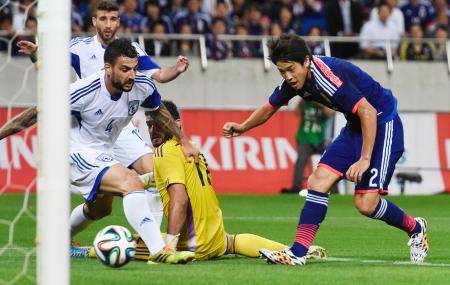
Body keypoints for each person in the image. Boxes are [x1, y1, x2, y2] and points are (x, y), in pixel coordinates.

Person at [222, 34, 429, 266]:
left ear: (306, 61)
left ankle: (416, 228)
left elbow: (369, 112)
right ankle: (298, 253)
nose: (288, 76)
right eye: (282, 71)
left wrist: (364, 159)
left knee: (365, 204)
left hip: (382, 123)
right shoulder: (296, 80)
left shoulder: (327, 78)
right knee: (318, 181)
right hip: (356, 126)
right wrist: (243, 127)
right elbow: (270, 107)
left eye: (291, 69)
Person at [0, 0, 192, 238]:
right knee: (101, 207)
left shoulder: (132, 51)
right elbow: (49, 66)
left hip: (120, 126)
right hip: (89, 127)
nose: (108, 24)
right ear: (94, 21)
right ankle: (61, 236)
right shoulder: (78, 47)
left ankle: (149, 239)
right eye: (103, 19)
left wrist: (177, 68)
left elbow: (159, 76)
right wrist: (37, 54)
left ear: (119, 21)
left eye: (113, 19)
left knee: (155, 172)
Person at [133, 100, 327, 261]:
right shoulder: (190, 147)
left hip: (192, 245)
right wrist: (141, 181)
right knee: (232, 242)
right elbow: (174, 176)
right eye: (149, 125)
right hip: (215, 237)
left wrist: (169, 245)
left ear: (176, 124)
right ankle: (292, 249)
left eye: (159, 125)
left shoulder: (163, 151)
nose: (152, 130)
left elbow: (179, 198)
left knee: (123, 243)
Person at [67, 38, 194, 264]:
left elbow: (158, 110)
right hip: (78, 151)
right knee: (131, 182)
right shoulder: (83, 90)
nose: (132, 75)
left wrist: (183, 140)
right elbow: (36, 111)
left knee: (100, 209)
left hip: (105, 150)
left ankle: (59, 239)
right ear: (108, 68)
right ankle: (159, 249)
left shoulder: (142, 85)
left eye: (134, 69)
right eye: (125, 69)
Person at [281, 100, 333, 194]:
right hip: (305, 138)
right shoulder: (305, 102)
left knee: (331, 162)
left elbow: (330, 113)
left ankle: (333, 189)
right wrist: (301, 101)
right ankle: (296, 187)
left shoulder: (324, 103)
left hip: (321, 139)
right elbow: (295, 113)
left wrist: (319, 102)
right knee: (300, 161)